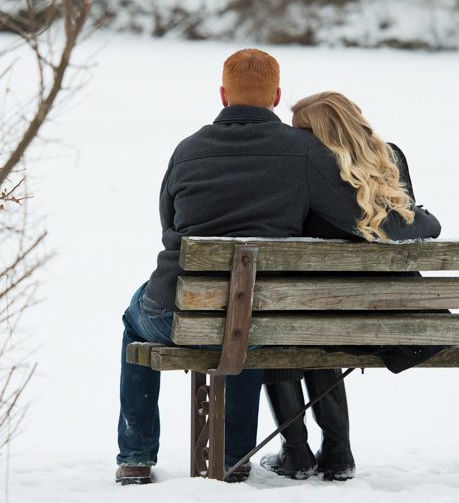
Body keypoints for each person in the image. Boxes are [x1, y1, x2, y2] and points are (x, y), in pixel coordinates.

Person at [116, 51, 441, 486]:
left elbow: (169, 226)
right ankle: (233, 456)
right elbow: (366, 219)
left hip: (182, 309)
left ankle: (136, 456)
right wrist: (422, 219)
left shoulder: (187, 149)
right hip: (261, 311)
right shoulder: (306, 152)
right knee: (245, 317)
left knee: (135, 320)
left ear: (223, 94)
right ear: (276, 96)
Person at [259, 91, 444, 481]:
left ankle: (296, 451)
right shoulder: (388, 157)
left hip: (322, 316)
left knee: (282, 329)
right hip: (393, 318)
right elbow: (412, 223)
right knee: (313, 326)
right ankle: (338, 451)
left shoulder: (306, 168)